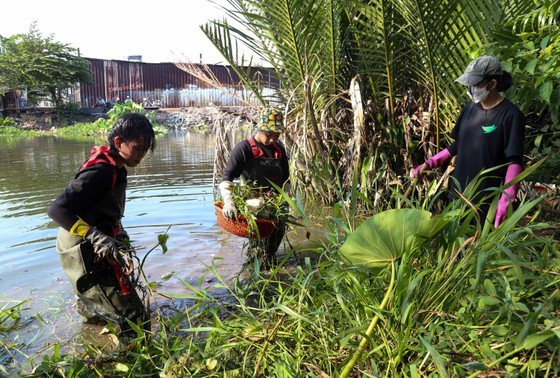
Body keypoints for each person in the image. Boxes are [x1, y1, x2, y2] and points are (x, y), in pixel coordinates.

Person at [48, 113, 156, 331]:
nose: (141, 156)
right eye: (137, 149)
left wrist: (119, 231)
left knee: (95, 310)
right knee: (134, 316)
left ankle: (95, 345)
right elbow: (57, 210)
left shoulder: (118, 168)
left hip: (95, 243)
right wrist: (96, 236)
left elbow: (103, 208)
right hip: (79, 246)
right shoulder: (100, 171)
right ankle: (132, 358)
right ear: (118, 142)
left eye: (145, 151)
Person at [413, 55, 526, 227]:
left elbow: (515, 160)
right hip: (457, 196)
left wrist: (507, 198)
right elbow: (459, 143)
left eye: (475, 84)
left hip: (486, 203)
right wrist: (431, 163)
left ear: (492, 84)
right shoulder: (470, 108)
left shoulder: (511, 115)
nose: (470, 89)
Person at [219, 107, 290, 267]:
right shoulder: (244, 149)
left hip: (276, 206)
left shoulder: (280, 151)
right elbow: (226, 178)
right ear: (260, 128)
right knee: (255, 251)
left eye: (277, 135)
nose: (273, 139)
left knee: (273, 246)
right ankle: (253, 274)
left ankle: (271, 268)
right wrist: (229, 202)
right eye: (269, 134)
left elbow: (287, 181)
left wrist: (286, 203)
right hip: (254, 207)